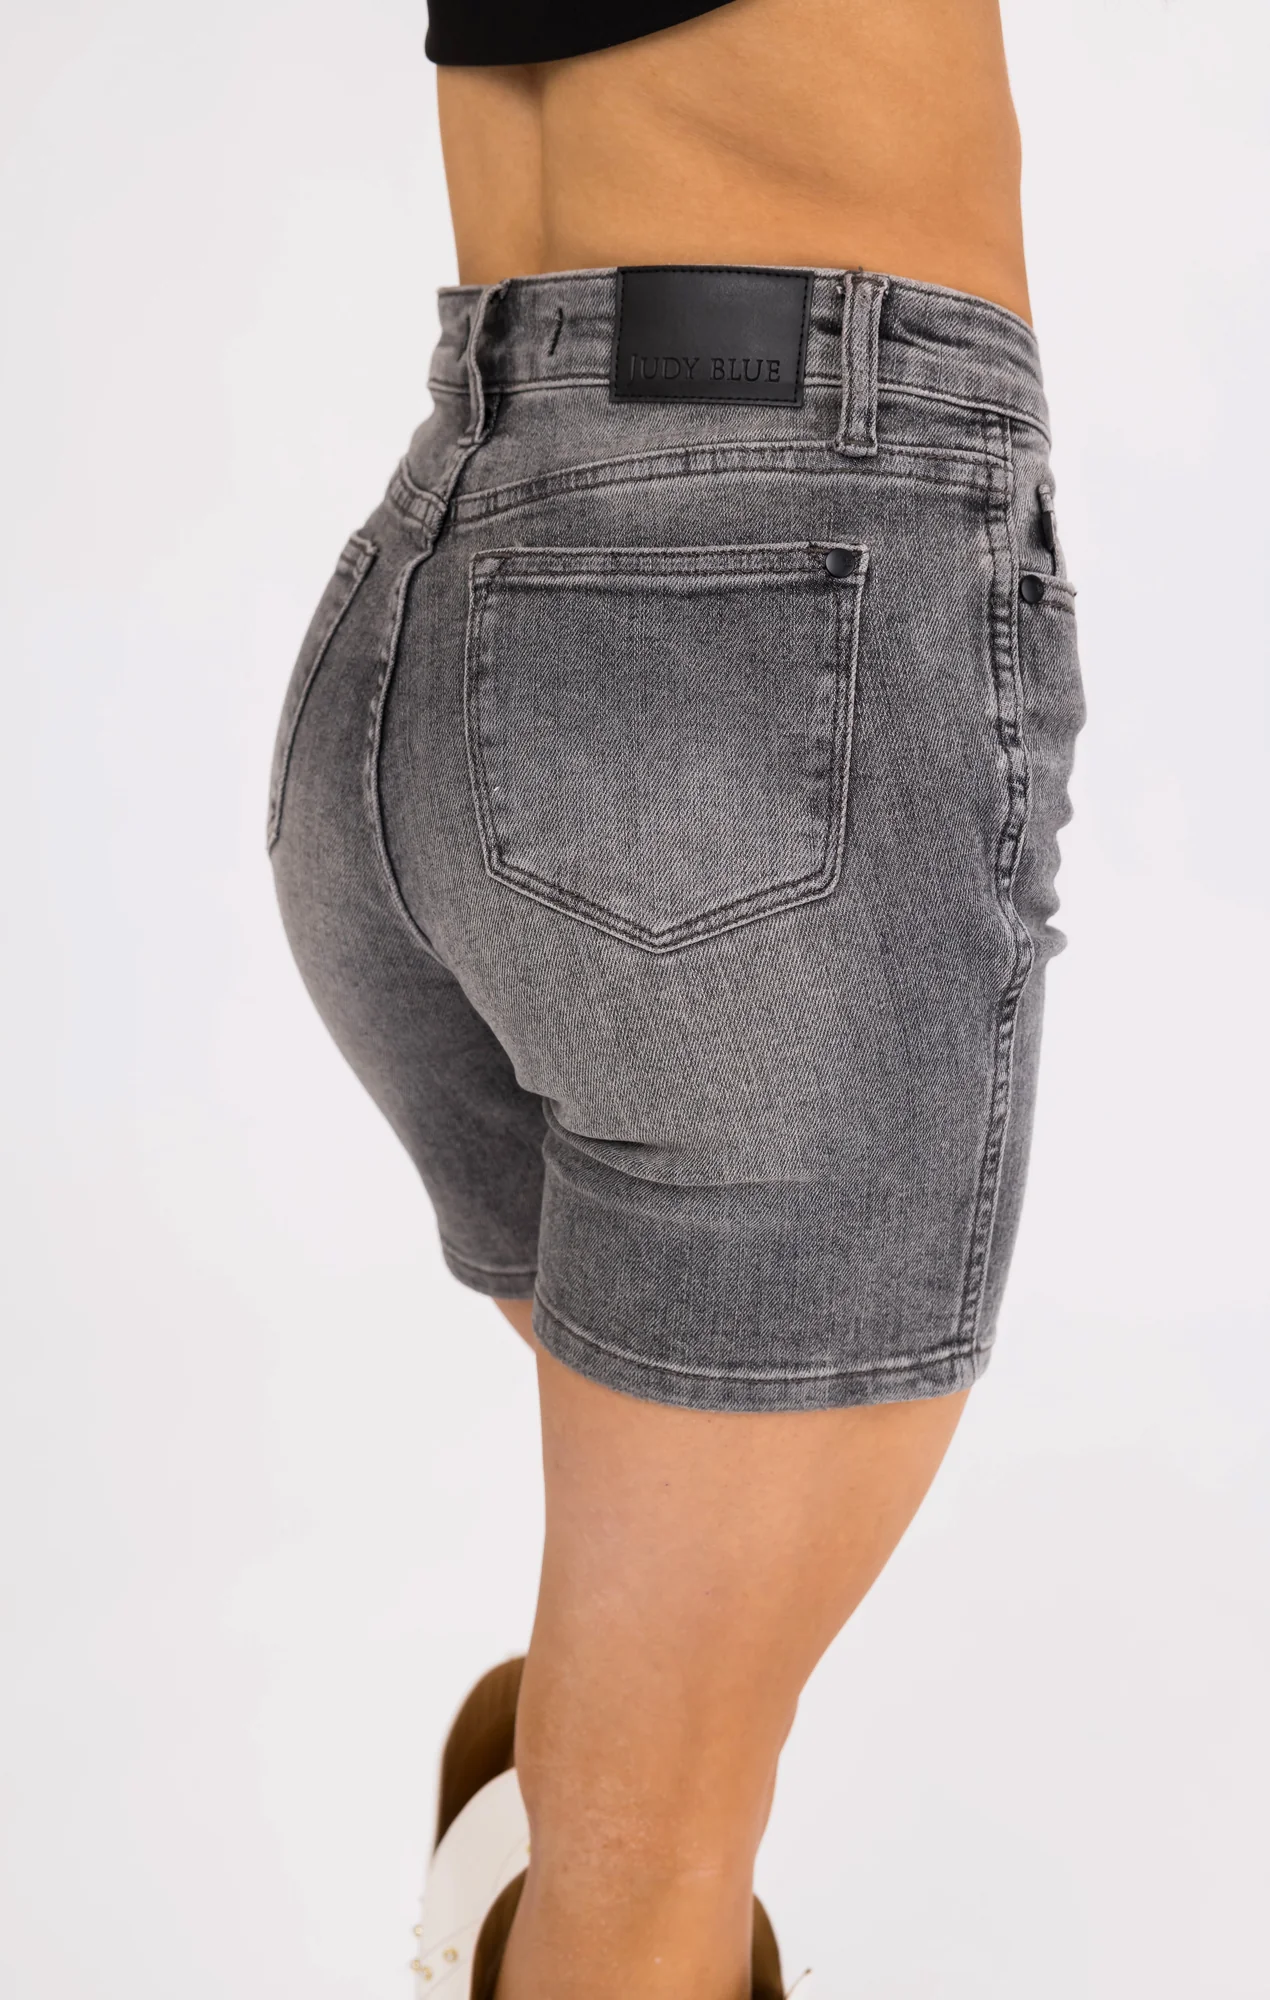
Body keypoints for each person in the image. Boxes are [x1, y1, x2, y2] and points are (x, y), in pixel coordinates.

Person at [265, 1, 1085, 1993]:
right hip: (761, 611)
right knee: (650, 1849)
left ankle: (520, 1892)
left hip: (446, 593)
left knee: (638, 1746)